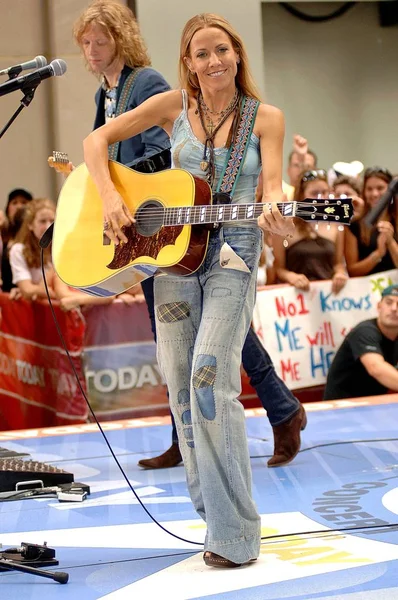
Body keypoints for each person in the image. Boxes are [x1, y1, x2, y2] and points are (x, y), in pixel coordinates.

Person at [82, 12, 294, 568]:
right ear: (188, 63)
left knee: (209, 378)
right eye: (201, 54)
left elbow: (274, 191)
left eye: (221, 50)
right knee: (180, 386)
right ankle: (214, 516)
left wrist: (281, 218)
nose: (213, 61)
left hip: (234, 258)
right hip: (176, 257)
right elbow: (96, 140)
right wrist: (109, 197)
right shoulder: (173, 106)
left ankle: (236, 533)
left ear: (238, 54)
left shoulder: (265, 119)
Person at [273, 169, 348, 294]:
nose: (321, 197)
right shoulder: (285, 225)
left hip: (327, 295)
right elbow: (278, 268)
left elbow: (338, 264)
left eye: (325, 192)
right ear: (301, 195)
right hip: (295, 296)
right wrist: (291, 277)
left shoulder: (336, 226)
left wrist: (340, 274)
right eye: (315, 193)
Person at [324, 284, 398, 400]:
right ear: (379, 306)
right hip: (342, 407)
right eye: (389, 303)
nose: (394, 308)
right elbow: (376, 368)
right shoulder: (365, 331)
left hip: (375, 406)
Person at [345, 167, 398, 277]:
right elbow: (352, 271)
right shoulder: (355, 226)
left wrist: (391, 242)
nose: (374, 194)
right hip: (367, 290)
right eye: (369, 189)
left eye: (380, 188)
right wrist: (378, 253)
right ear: (364, 192)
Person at [9, 198, 57, 300]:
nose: (48, 226)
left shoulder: (63, 249)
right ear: (30, 225)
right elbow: (27, 290)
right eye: (42, 221)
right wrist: (60, 295)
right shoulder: (18, 250)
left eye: (52, 221)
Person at [1, 188, 33, 292]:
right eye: (14, 203)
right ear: (7, 209)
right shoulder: (3, 234)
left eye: (24, 202)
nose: (19, 206)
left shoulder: (37, 238)